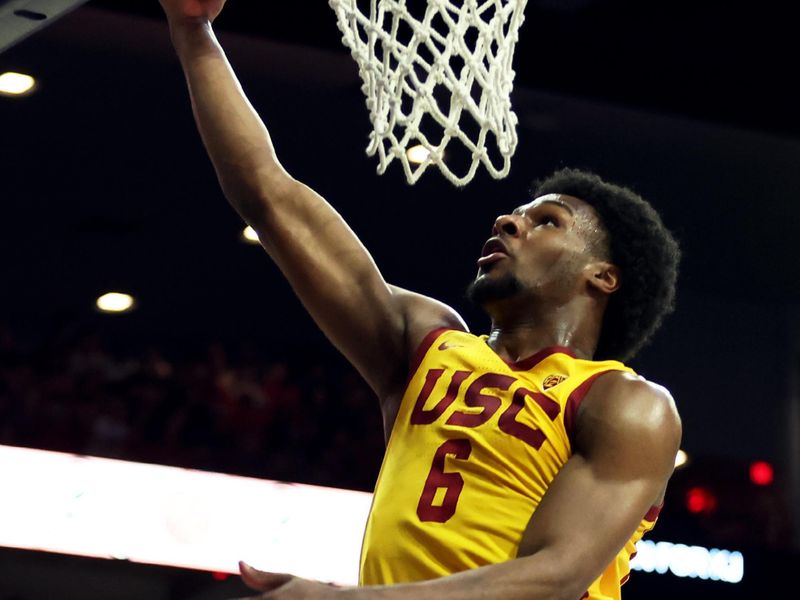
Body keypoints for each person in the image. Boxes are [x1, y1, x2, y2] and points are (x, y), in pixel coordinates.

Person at [157, 1, 682, 598]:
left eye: (548, 222)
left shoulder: (627, 403)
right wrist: (193, 30)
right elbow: (269, 196)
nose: (509, 223)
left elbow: (554, 578)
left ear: (604, 277)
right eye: (514, 214)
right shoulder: (425, 341)